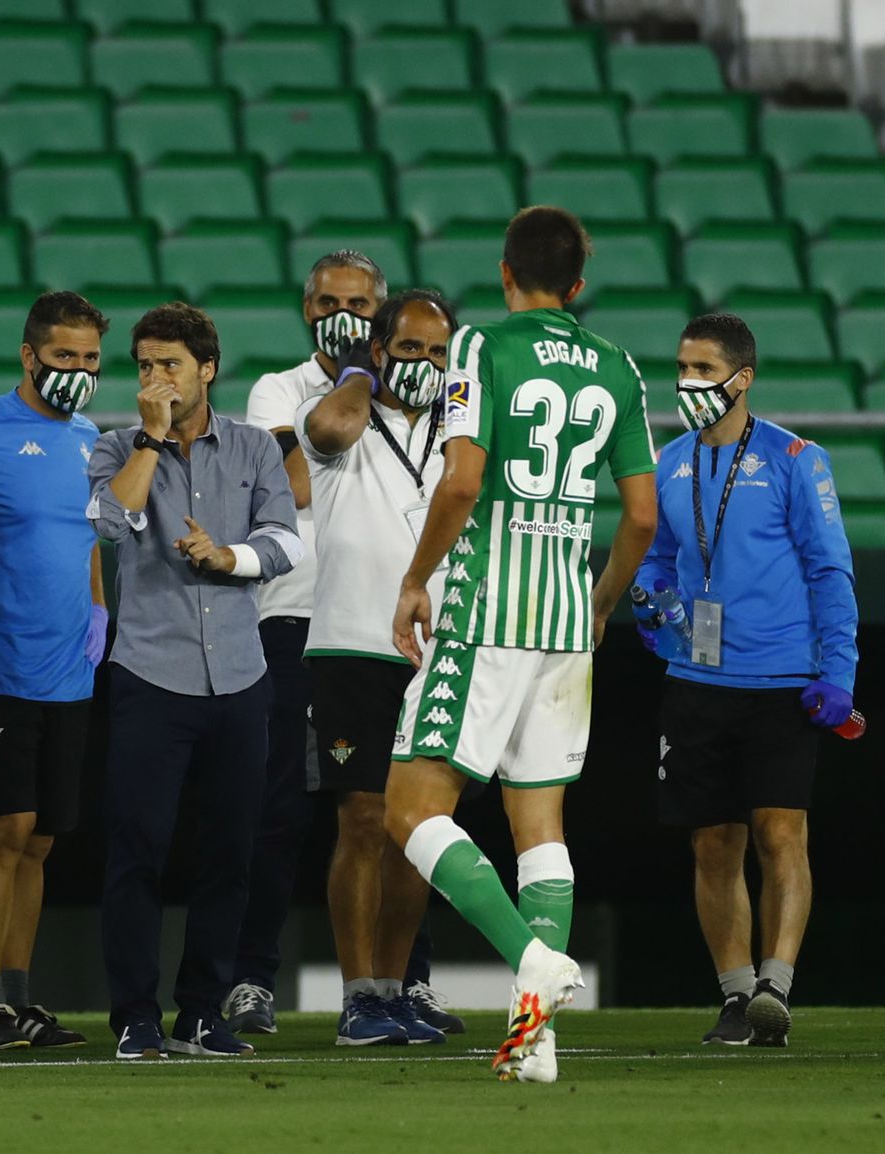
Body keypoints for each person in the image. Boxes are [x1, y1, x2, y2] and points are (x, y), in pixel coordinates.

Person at [386, 207, 659, 1083]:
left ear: (506, 274)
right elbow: (643, 514)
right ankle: (532, 1040)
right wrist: (601, 602)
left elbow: (463, 482)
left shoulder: (480, 349)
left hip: (486, 611)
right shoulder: (617, 367)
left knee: (409, 809)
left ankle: (529, 964)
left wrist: (415, 578)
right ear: (577, 286)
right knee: (539, 827)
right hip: (564, 619)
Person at [634, 314, 857, 1048]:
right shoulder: (668, 463)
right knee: (712, 843)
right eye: (682, 368)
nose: (688, 383)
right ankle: (736, 996)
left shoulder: (796, 459)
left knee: (779, 833)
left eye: (703, 370)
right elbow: (658, 559)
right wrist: (651, 601)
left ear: (743, 377)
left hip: (783, 680)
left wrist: (839, 672)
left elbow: (830, 569)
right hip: (696, 677)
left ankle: (775, 987)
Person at [88, 302, 301, 1059]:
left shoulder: (252, 449)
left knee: (229, 853)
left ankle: (203, 1011)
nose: (155, 377)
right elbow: (110, 525)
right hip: (151, 673)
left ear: (207, 369)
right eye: (144, 364)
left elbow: (284, 540)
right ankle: (136, 1017)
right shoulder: (116, 446)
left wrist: (228, 558)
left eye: (169, 364)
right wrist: (149, 437)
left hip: (242, 677)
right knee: (137, 849)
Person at [223, 250, 383, 1037]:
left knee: (382, 811)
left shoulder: (404, 391)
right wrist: (357, 387)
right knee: (278, 809)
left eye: (357, 302)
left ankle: (395, 982)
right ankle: (252, 978)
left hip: (374, 621)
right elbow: (293, 483)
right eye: (327, 301)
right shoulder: (277, 391)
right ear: (306, 307)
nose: (341, 313)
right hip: (288, 614)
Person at [298, 290, 458, 1046]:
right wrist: (359, 371)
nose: (424, 363)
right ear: (379, 349)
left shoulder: (460, 432)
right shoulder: (344, 415)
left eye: (438, 352)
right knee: (360, 820)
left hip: (435, 650)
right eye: (410, 348)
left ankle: (394, 989)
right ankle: (357, 994)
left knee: (416, 830)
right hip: (350, 643)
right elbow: (326, 428)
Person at [0, 291, 106, 1050]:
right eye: (64, 356)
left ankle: (19, 996)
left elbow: (89, 539)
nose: (76, 371)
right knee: (2, 829)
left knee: (40, 839)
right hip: (0, 668)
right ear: (29, 355)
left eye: (89, 360)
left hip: (69, 672)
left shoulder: (90, 439)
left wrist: (99, 612)